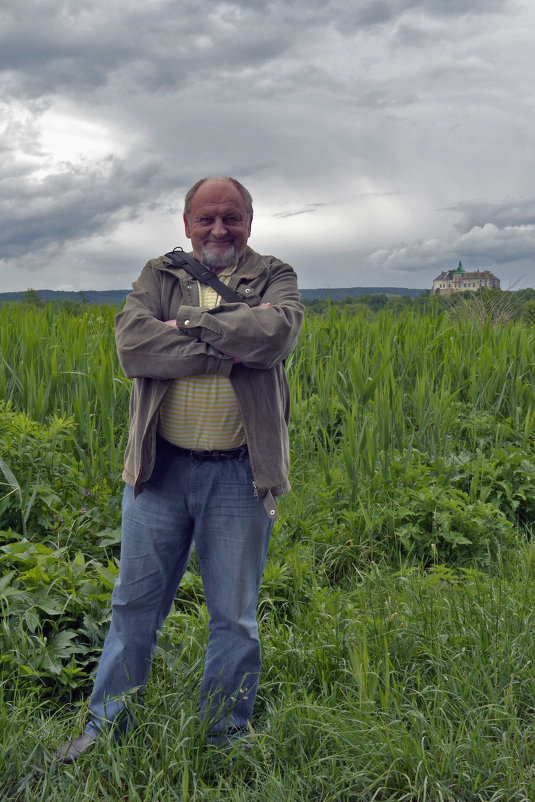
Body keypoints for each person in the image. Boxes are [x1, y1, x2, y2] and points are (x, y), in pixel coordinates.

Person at [56, 176, 304, 762]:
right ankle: (104, 731)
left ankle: (223, 737)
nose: (220, 229)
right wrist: (229, 339)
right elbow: (133, 347)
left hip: (241, 476)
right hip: (158, 472)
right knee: (134, 606)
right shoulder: (156, 274)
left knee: (235, 617)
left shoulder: (276, 276)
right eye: (207, 219)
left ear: (249, 221)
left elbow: (276, 336)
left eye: (232, 218)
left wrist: (184, 328)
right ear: (187, 223)